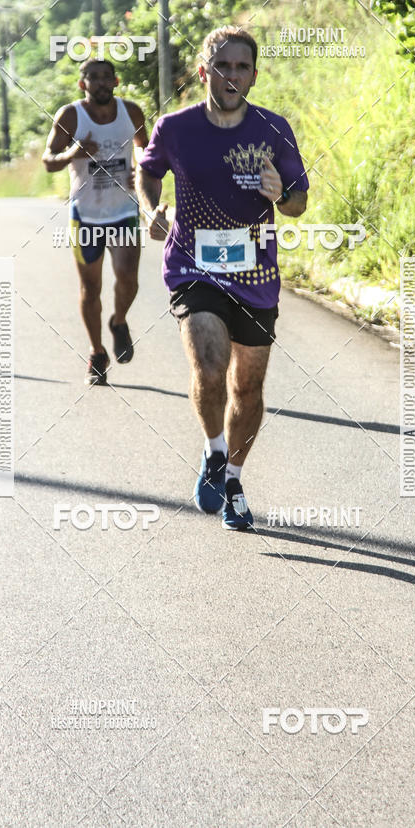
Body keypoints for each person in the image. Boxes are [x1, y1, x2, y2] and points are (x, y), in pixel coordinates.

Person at [137, 26, 308, 530]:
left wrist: (282, 194)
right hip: (194, 268)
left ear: (254, 75)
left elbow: (299, 202)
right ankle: (214, 452)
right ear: (203, 70)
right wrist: (150, 209)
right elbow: (148, 172)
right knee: (210, 368)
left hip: (255, 274)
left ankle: (232, 476)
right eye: (223, 65)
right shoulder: (175, 127)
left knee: (248, 388)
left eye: (242, 67)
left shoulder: (274, 130)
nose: (232, 75)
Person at [43, 57, 149, 384]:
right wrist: (71, 154)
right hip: (86, 215)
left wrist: (141, 171)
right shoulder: (70, 116)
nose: (101, 83)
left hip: (123, 211)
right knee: (91, 287)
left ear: (116, 81)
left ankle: (118, 321)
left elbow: (146, 149)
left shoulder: (130, 111)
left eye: (106, 77)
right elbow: (48, 160)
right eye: (94, 78)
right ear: (82, 84)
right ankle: (96, 352)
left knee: (128, 279)